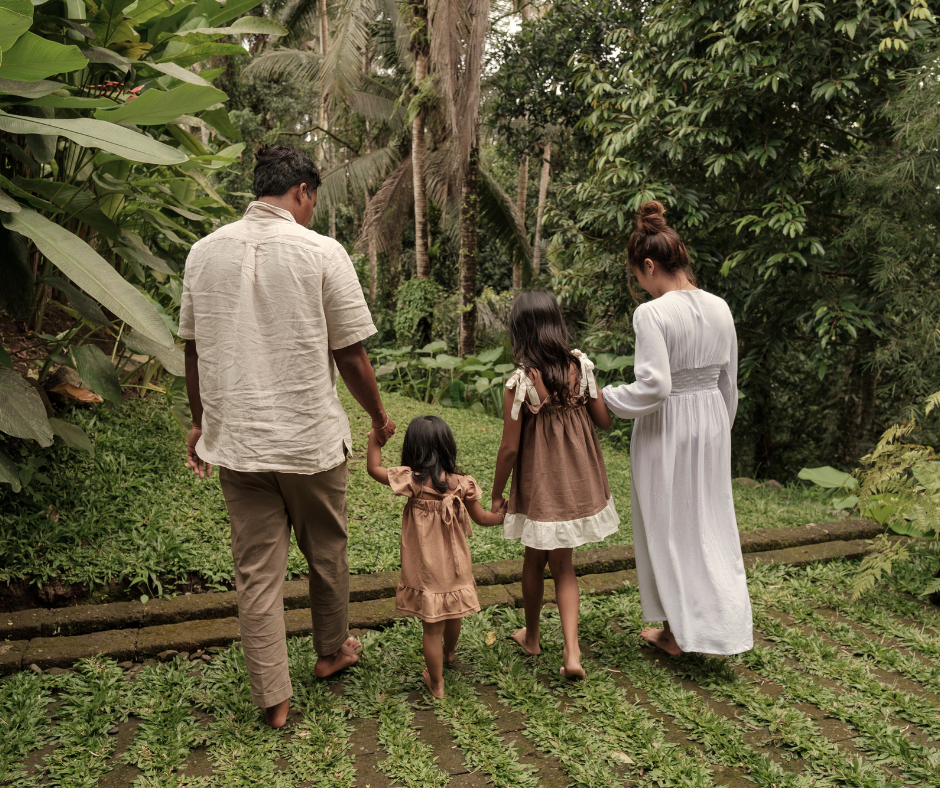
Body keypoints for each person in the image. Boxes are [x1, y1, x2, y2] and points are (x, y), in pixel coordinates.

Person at [180, 145, 396, 728]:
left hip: (238, 443)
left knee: (256, 570)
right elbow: (350, 354)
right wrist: (378, 417)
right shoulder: (323, 252)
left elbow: (193, 351)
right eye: (313, 199)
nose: (312, 209)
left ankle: (274, 698)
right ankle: (330, 653)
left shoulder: (203, 254)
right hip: (309, 440)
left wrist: (200, 423)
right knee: (326, 551)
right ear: (303, 190)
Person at [603, 200, 753, 657]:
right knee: (708, 522)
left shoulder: (653, 314)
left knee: (667, 525)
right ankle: (714, 626)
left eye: (638, 277)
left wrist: (604, 398)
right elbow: (729, 381)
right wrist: (718, 431)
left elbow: (654, 388)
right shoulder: (721, 306)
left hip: (667, 430)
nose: (640, 287)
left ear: (649, 265)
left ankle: (675, 632)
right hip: (710, 423)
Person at [491, 290, 619, 679]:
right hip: (576, 483)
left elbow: (510, 448)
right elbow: (604, 421)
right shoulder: (581, 366)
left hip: (540, 485)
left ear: (520, 332)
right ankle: (572, 651)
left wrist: (497, 493)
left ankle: (532, 637)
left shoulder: (520, 382)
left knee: (533, 559)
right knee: (563, 565)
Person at [366, 416, 505, 697]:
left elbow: (373, 469)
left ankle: (437, 684)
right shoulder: (462, 484)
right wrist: (503, 514)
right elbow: (483, 520)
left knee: (431, 628)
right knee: (455, 614)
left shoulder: (411, 480)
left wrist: (374, 440)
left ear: (413, 448)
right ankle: (450, 653)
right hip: (456, 566)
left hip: (426, 568)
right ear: (448, 447)